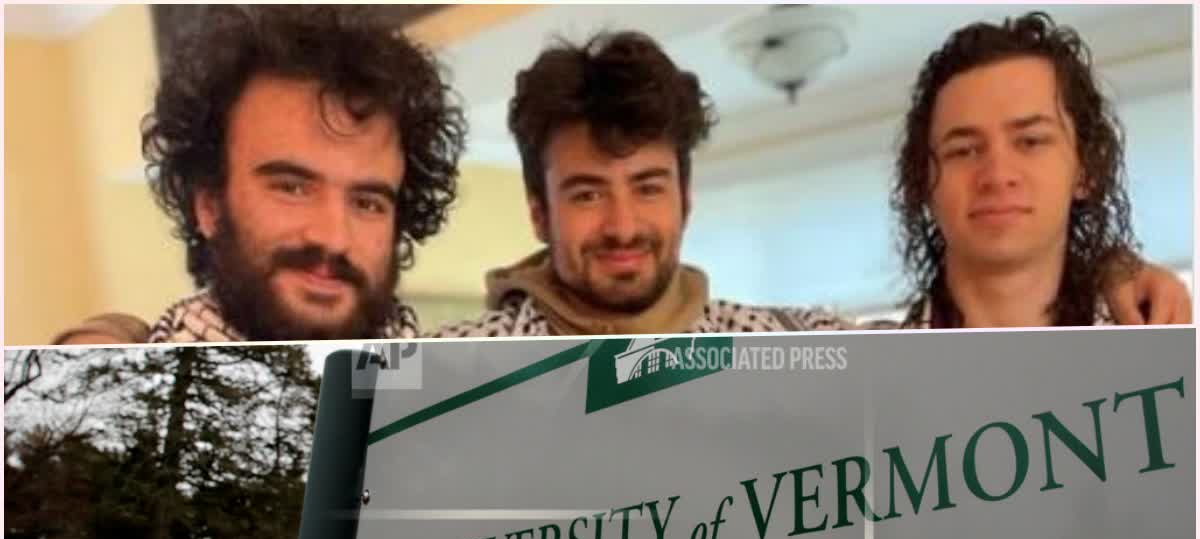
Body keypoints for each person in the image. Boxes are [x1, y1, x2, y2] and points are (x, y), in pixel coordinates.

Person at [55, 5, 466, 344]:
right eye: (292, 187)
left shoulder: (463, 401)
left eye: (366, 203)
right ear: (210, 204)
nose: (333, 237)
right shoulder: (112, 401)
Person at [433, 31, 847, 337]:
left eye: (648, 188)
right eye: (588, 195)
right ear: (540, 216)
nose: (623, 228)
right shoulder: (449, 371)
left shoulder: (795, 342)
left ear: (685, 201)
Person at [884, 11, 1191, 329]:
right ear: (923, 181)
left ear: (1086, 170)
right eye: (964, 150)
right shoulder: (848, 361)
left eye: (1030, 141)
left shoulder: (1166, 346)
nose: (998, 176)